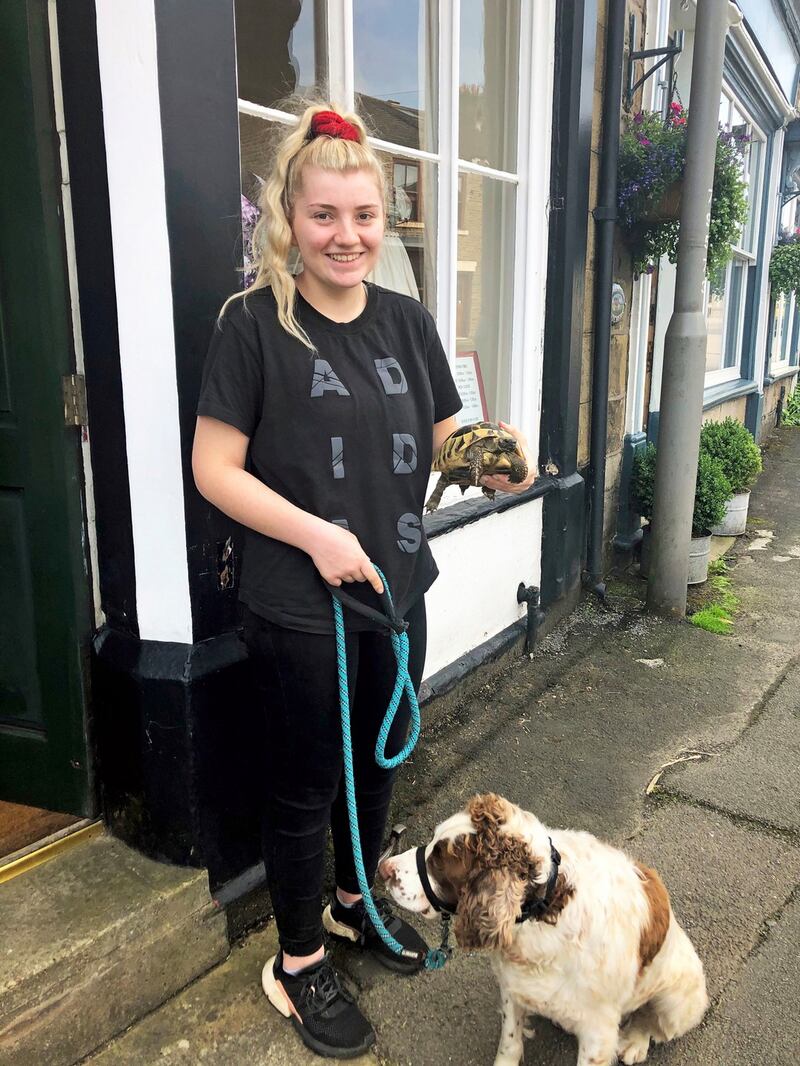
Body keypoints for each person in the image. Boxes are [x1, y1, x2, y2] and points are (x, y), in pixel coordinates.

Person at [192, 103, 536, 1059]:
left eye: (365, 217)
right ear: (288, 218)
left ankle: (352, 908)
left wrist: (497, 453)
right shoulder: (254, 325)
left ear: (386, 222)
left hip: (396, 591)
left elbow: (438, 438)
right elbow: (214, 468)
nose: (347, 237)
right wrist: (318, 537)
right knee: (305, 788)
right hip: (298, 606)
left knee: (379, 766)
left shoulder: (407, 320)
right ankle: (297, 963)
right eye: (325, 217)